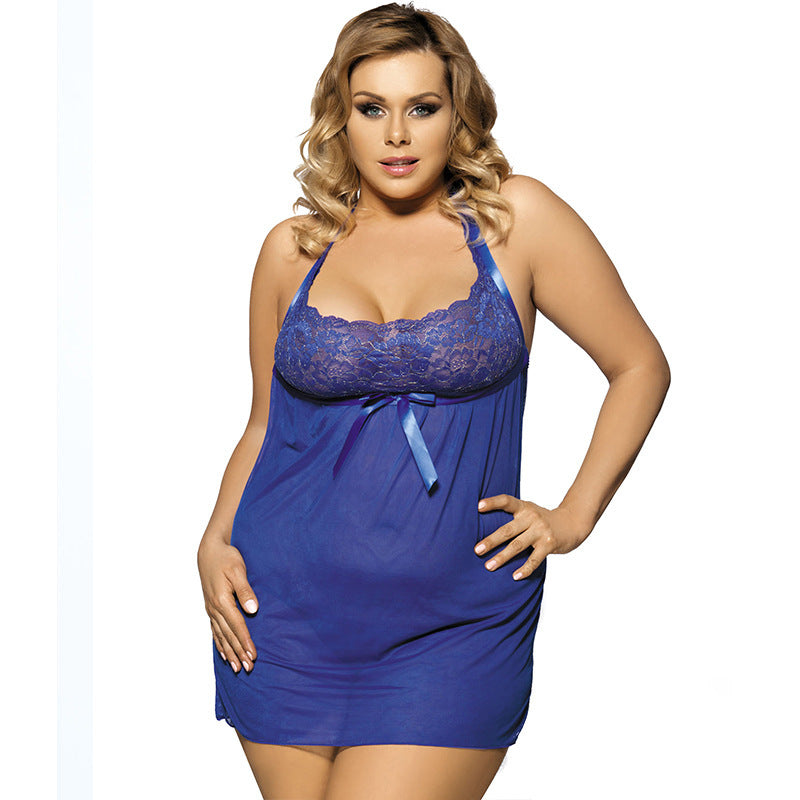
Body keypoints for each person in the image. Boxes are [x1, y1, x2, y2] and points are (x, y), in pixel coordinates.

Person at [196, 3, 671, 798]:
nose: (396, 135)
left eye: (421, 108)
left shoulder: (516, 221)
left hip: (455, 624)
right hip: (285, 616)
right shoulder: (293, 250)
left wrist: (573, 516)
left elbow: (639, 365)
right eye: (371, 108)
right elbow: (263, 426)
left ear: (458, 114)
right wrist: (213, 542)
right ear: (340, 118)